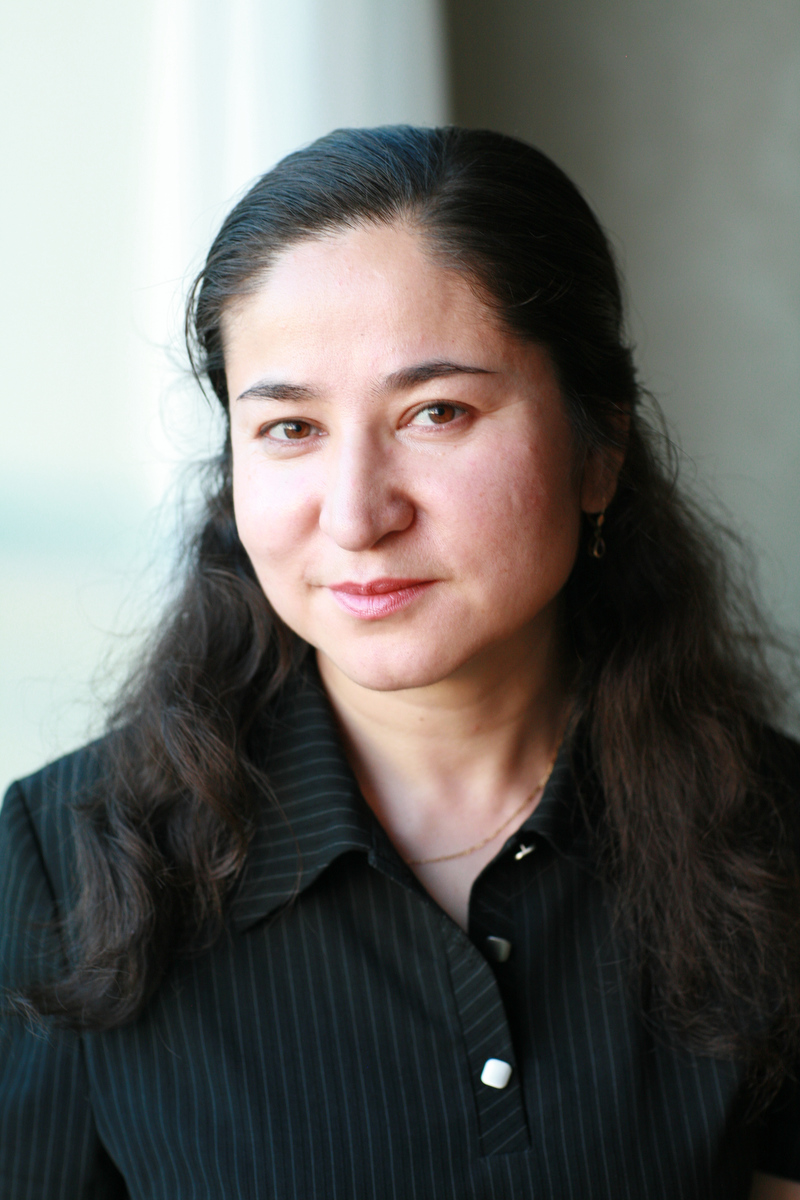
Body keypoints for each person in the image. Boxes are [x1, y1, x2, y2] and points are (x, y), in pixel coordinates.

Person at [1, 126, 798, 1199]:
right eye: (290, 428)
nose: (355, 515)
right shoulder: (67, 859)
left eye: (436, 412)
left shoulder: (773, 838)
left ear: (599, 449)